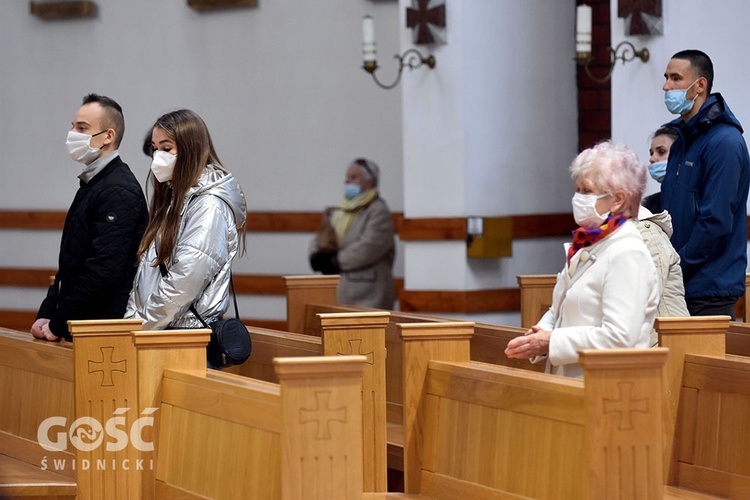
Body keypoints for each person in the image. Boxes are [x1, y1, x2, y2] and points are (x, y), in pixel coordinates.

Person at [505, 141, 659, 378]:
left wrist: (552, 342)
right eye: (577, 189)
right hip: (572, 382)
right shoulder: (591, 243)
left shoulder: (628, 253)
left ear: (618, 199)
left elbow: (620, 337)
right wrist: (542, 331)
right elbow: (562, 308)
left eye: (586, 191)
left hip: (607, 387)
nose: (578, 198)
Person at [31, 94, 148, 342]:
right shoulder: (94, 182)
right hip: (79, 325)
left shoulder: (118, 189)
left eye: (83, 128)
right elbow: (71, 262)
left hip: (99, 330)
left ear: (108, 136)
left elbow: (104, 269)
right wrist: (47, 314)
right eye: (73, 126)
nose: (73, 134)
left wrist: (59, 323)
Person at [125, 109, 247, 332]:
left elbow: (184, 282)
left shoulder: (209, 205)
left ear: (191, 149)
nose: (157, 157)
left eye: (166, 148)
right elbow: (146, 276)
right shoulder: (175, 200)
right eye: (154, 149)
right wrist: (131, 320)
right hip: (158, 332)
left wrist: (138, 326)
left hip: (185, 337)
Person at [660, 49, 750, 317]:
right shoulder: (682, 139)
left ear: (700, 85)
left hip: (709, 286)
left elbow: (715, 220)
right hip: (679, 283)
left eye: (676, 78)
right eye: (666, 78)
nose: (666, 86)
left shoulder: (724, 142)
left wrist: (677, 267)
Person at [309, 158, 396, 309]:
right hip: (342, 293)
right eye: (347, 176)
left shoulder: (378, 210)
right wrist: (315, 255)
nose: (347, 181)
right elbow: (322, 236)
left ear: (369, 182)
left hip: (369, 296)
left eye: (353, 177)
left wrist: (335, 262)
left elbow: (369, 247)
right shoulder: (341, 211)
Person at [641, 127, 679, 213]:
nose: (652, 159)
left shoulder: (695, 200)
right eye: (651, 153)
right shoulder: (647, 205)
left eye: (661, 152)